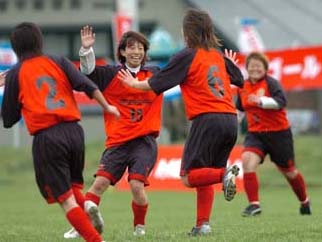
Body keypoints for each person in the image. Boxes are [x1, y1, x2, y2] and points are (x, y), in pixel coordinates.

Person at [118, 8, 244, 236]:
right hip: (230, 119)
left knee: (188, 177)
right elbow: (240, 79)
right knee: (203, 171)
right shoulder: (217, 55)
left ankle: (223, 175)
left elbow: (158, 83)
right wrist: (230, 63)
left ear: (188, 32)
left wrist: (133, 84)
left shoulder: (187, 55)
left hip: (207, 119)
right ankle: (202, 225)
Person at [1, 22, 120, 242]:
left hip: (48, 137)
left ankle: (96, 239)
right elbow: (86, 85)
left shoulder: (16, 74)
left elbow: (8, 120)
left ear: (15, 47)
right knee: (73, 187)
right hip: (75, 132)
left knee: (65, 200)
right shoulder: (57, 61)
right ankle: (87, 210)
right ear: (39, 41)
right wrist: (107, 107)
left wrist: (9, 90)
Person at [63, 25, 163, 239]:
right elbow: (87, 72)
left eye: (140, 48)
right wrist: (86, 51)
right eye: (131, 48)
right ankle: (83, 223)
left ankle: (139, 227)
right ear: (123, 52)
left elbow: (181, 74)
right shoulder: (110, 74)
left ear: (145, 52)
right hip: (117, 142)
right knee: (99, 184)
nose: (136, 52)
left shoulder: (155, 74)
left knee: (136, 185)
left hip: (144, 141)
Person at [235, 51, 311, 216]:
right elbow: (240, 111)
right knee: (247, 161)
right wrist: (230, 125)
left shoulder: (272, 84)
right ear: (247, 68)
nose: (255, 69)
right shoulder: (243, 87)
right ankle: (254, 204)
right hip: (255, 134)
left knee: (290, 172)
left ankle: (304, 201)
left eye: (258, 66)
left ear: (265, 69)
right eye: (252, 66)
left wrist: (261, 101)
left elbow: (281, 102)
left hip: (279, 134)